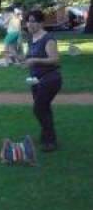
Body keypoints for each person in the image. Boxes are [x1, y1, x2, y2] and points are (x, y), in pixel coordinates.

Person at [22, 9, 62, 152]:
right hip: (35, 80)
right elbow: (28, 58)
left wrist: (35, 60)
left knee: (39, 108)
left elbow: (55, 59)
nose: (30, 24)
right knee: (44, 108)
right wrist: (17, 59)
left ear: (41, 23)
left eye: (33, 21)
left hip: (50, 78)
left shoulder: (48, 38)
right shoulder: (30, 39)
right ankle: (47, 136)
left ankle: (50, 140)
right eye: (28, 21)